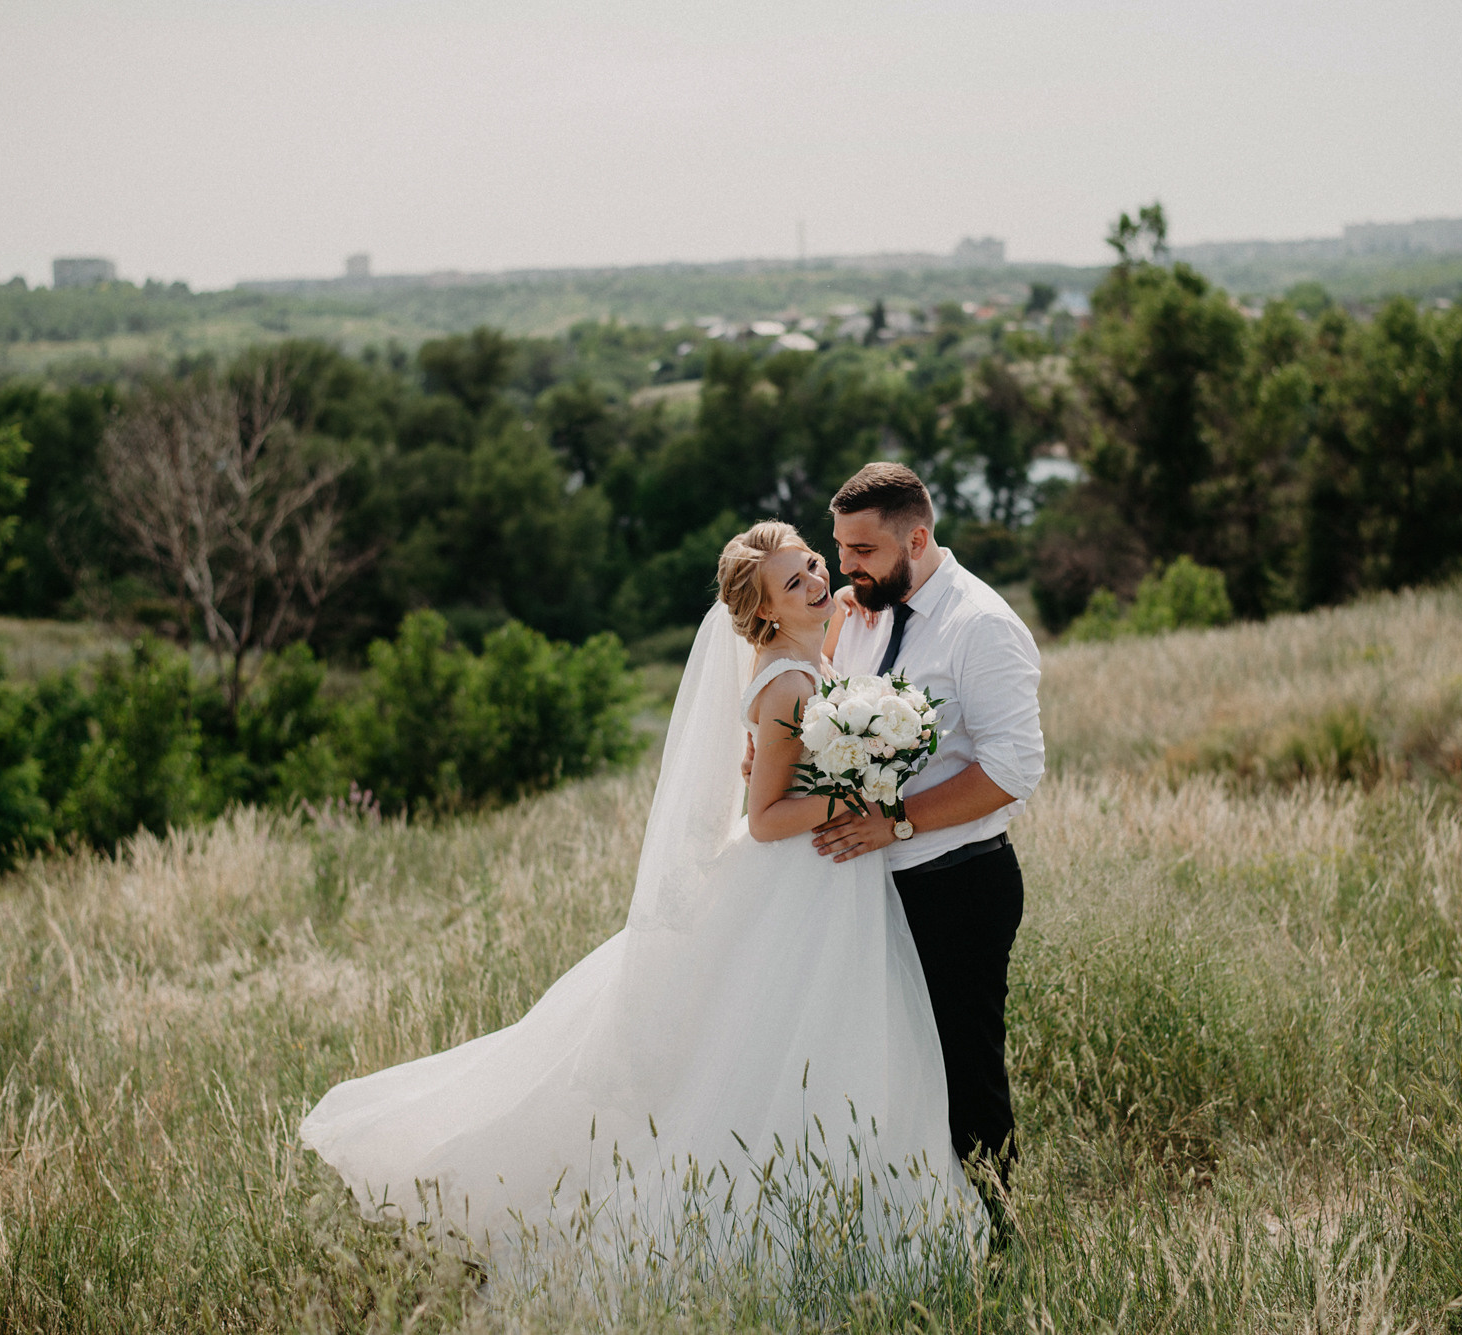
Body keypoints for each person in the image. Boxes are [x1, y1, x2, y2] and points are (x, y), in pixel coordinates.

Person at [299, 520, 976, 1276]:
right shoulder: (787, 684)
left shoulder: (808, 644)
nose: (819, 580)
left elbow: (838, 629)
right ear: (764, 610)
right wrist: (856, 791)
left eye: (814, 564)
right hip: (803, 872)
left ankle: (844, 1202)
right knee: (791, 1040)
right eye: (796, 581)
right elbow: (763, 817)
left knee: (827, 1036)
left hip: (829, 877)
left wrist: (857, 670)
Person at [813, 463, 1045, 1217]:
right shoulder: (864, 610)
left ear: (917, 539)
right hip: (870, 887)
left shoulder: (981, 625)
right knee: (891, 1069)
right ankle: (917, 1230)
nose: (846, 566)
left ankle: (998, 1235)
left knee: (963, 1072)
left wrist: (896, 821)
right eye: (841, 548)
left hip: (957, 883)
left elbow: (1013, 768)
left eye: (863, 550)